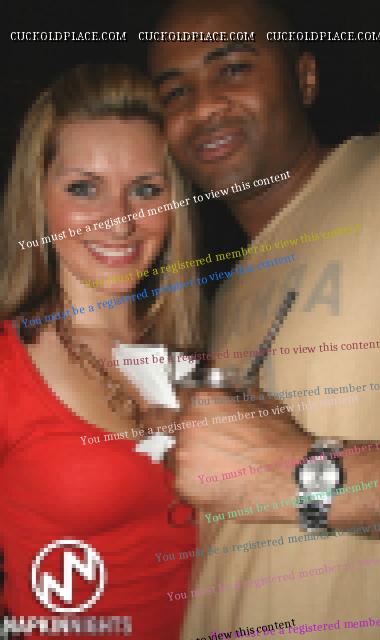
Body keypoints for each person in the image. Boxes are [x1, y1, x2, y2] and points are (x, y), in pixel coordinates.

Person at [149, 0, 380, 637]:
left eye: (233, 68)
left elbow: (271, 478)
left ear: (304, 77)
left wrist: (299, 477)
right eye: (175, 92)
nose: (202, 107)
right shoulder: (221, 299)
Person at [0, 63, 202, 639]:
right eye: (84, 189)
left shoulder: (194, 362)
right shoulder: (9, 367)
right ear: (39, 200)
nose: (120, 221)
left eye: (146, 190)